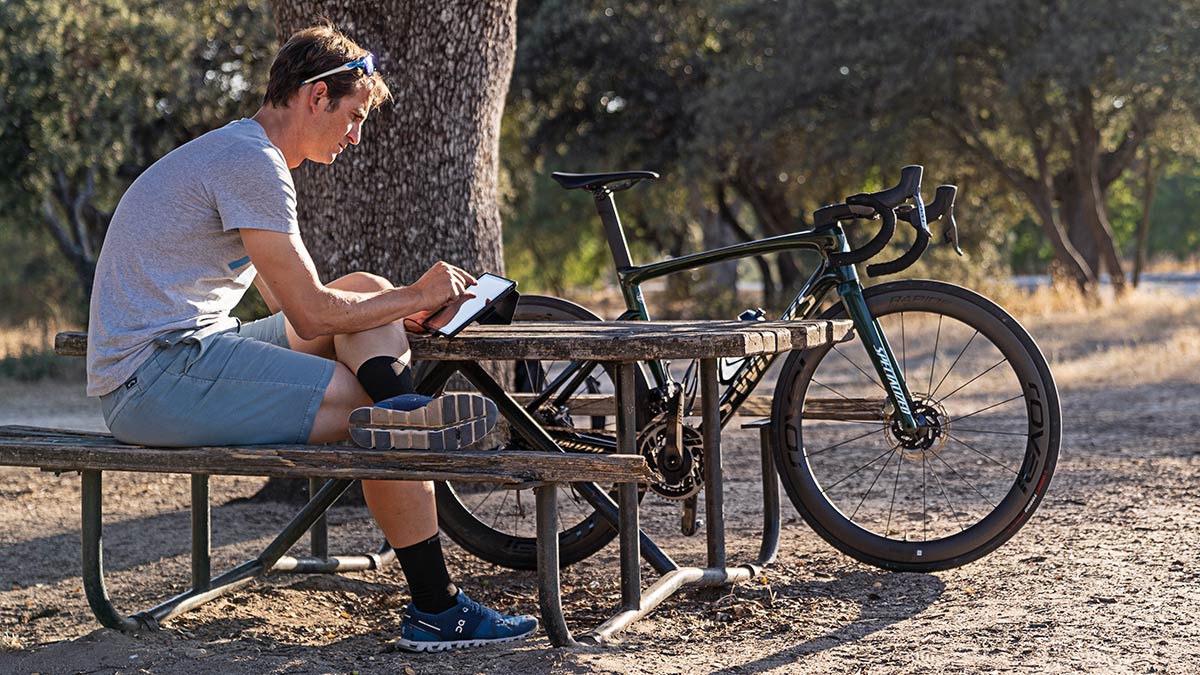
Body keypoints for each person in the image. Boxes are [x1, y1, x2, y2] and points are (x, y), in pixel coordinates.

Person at [84, 22, 537, 652]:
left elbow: (302, 311)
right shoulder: (253, 163)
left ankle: (402, 410)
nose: (356, 135)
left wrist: (386, 308)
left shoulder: (242, 152)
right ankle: (437, 607)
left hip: (186, 358)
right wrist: (419, 296)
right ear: (314, 96)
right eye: (352, 116)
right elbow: (311, 313)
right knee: (376, 407)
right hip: (155, 380)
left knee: (363, 288)